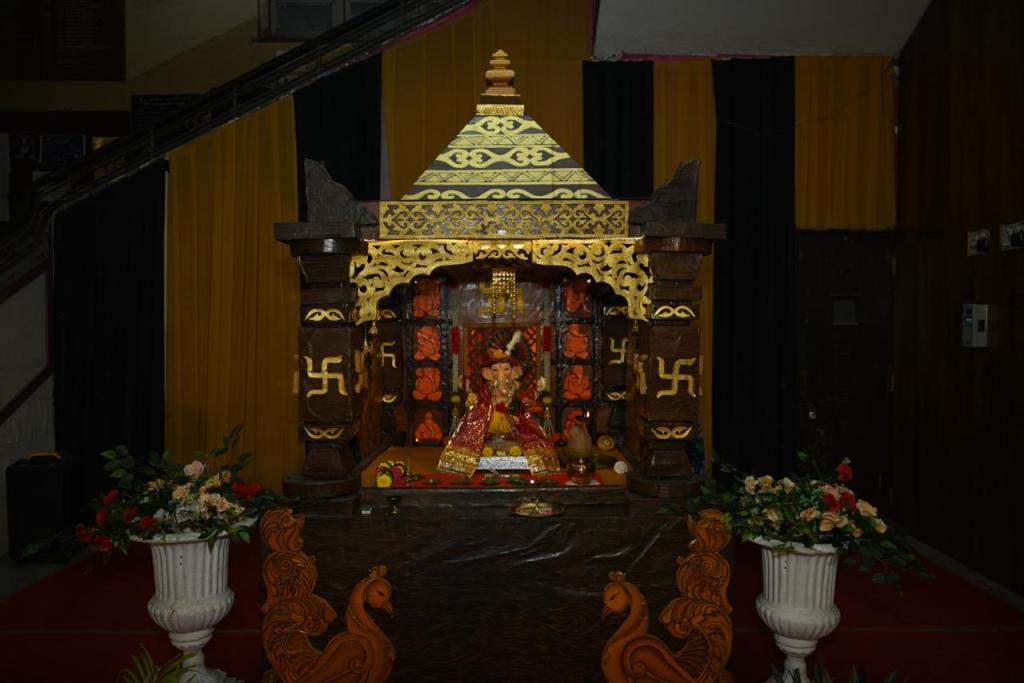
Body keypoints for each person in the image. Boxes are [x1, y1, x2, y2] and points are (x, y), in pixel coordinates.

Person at [437, 331, 559, 476]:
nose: (501, 373)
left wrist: (538, 391)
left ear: (514, 372)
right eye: (495, 370)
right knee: (476, 424)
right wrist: (468, 391)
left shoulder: (516, 386)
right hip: (491, 419)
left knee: (529, 433)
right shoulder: (488, 386)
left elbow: (526, 400)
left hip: (513, 418)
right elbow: (479, 401)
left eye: (506, 369)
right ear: (488, 373)